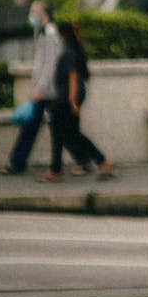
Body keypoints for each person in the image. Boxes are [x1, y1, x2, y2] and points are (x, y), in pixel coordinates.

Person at [38, 21, 114, 183]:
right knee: (71, 134)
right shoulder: (73, 50)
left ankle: (56, 171)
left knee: (61, 134)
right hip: (68, 97)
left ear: (63, 35)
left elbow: (73, 76)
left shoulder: (68, 53)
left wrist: (72, 101)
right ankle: (101, 161)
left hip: (66, 98)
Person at [0, 0, 60, 175]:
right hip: (46, 91)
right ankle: (17, 163)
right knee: (35, 127)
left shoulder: (50, 33)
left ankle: (17, 164)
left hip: (47, 91)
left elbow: (50, 64)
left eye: (34, 11)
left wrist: (39, 88)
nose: (31, 14)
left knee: (36, 128)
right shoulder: (43, 32)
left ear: (44, 13)